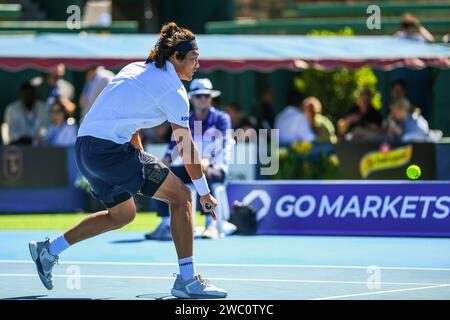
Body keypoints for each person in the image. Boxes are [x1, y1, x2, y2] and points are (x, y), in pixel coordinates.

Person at [28, 22, 226, 299]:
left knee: (123, 215)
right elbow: (187, 148)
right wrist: (205, 192)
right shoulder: (174, 92)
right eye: (193, 59)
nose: (197, 65)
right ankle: (187, 280)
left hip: (85, 149)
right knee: (183, 196)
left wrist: (140, 156)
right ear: (175, 57)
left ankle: (49, 250)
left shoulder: (135, 69)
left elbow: (130, 123)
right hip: (108, 151)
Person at [146, 78, 234, 240]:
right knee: (161, 175)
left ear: (211, 98)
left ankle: (211, 224)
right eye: (199, 95)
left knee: (204, 173)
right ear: (192, 98)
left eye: (206, 96)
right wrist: (164, 162)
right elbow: (175, 144)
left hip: (215, 168)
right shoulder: (185, 119)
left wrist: (206, 159)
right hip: (192, 168)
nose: (203, 99)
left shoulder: (222, 118)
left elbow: (220, 142)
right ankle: (166, 224)